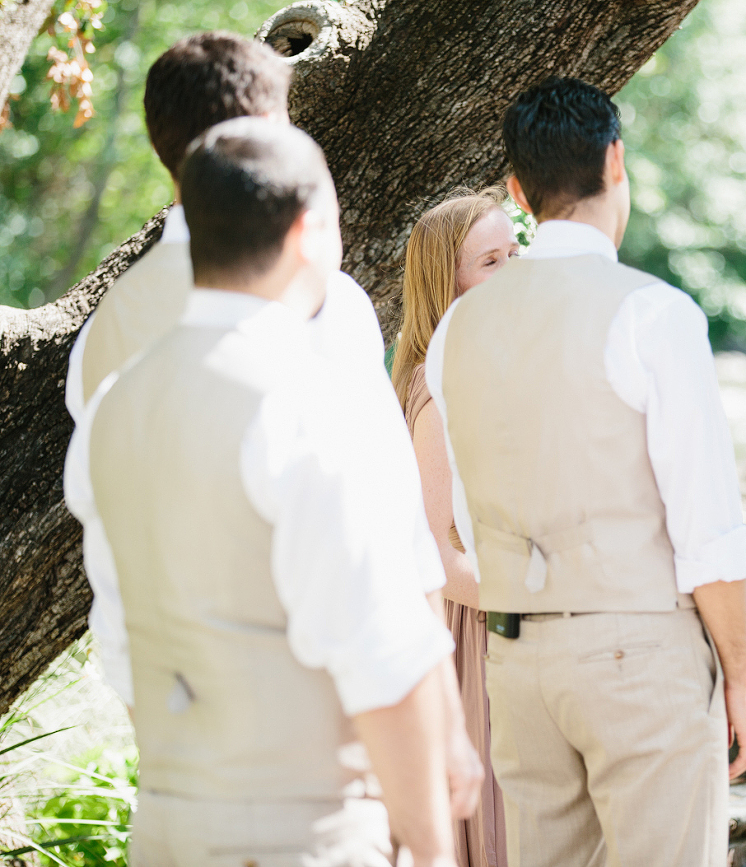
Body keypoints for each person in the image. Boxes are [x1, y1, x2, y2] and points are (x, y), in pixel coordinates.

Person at [77, 118, 476, 864]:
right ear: (306, 232)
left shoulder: (114, 404)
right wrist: (428, 844)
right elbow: (379, 654)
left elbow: (120, 632)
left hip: (167, 822)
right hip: (301, 830)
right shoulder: (310, 398)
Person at [425, 77, 746, 867]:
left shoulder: (457, 329)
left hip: (515, 662)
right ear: (615, 159)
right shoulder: (654, 312)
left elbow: (469, 516)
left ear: (516, 190)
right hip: (637, 653)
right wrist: (739, 680)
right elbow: (706, 526)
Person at [63, 31, 384, 712]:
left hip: (156, 688)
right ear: (267, 131)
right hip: (305, 685)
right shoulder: (322, 304)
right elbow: (374, 520)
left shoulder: (100, 333)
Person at [391, 187, 520, 867]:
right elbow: (437, 555)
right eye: (491, 261)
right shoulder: (435, 391)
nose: (514, 268)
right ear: (453, 281)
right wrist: (530, 606)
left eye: (514, 250)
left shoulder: (495, 365)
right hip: (477, 625)